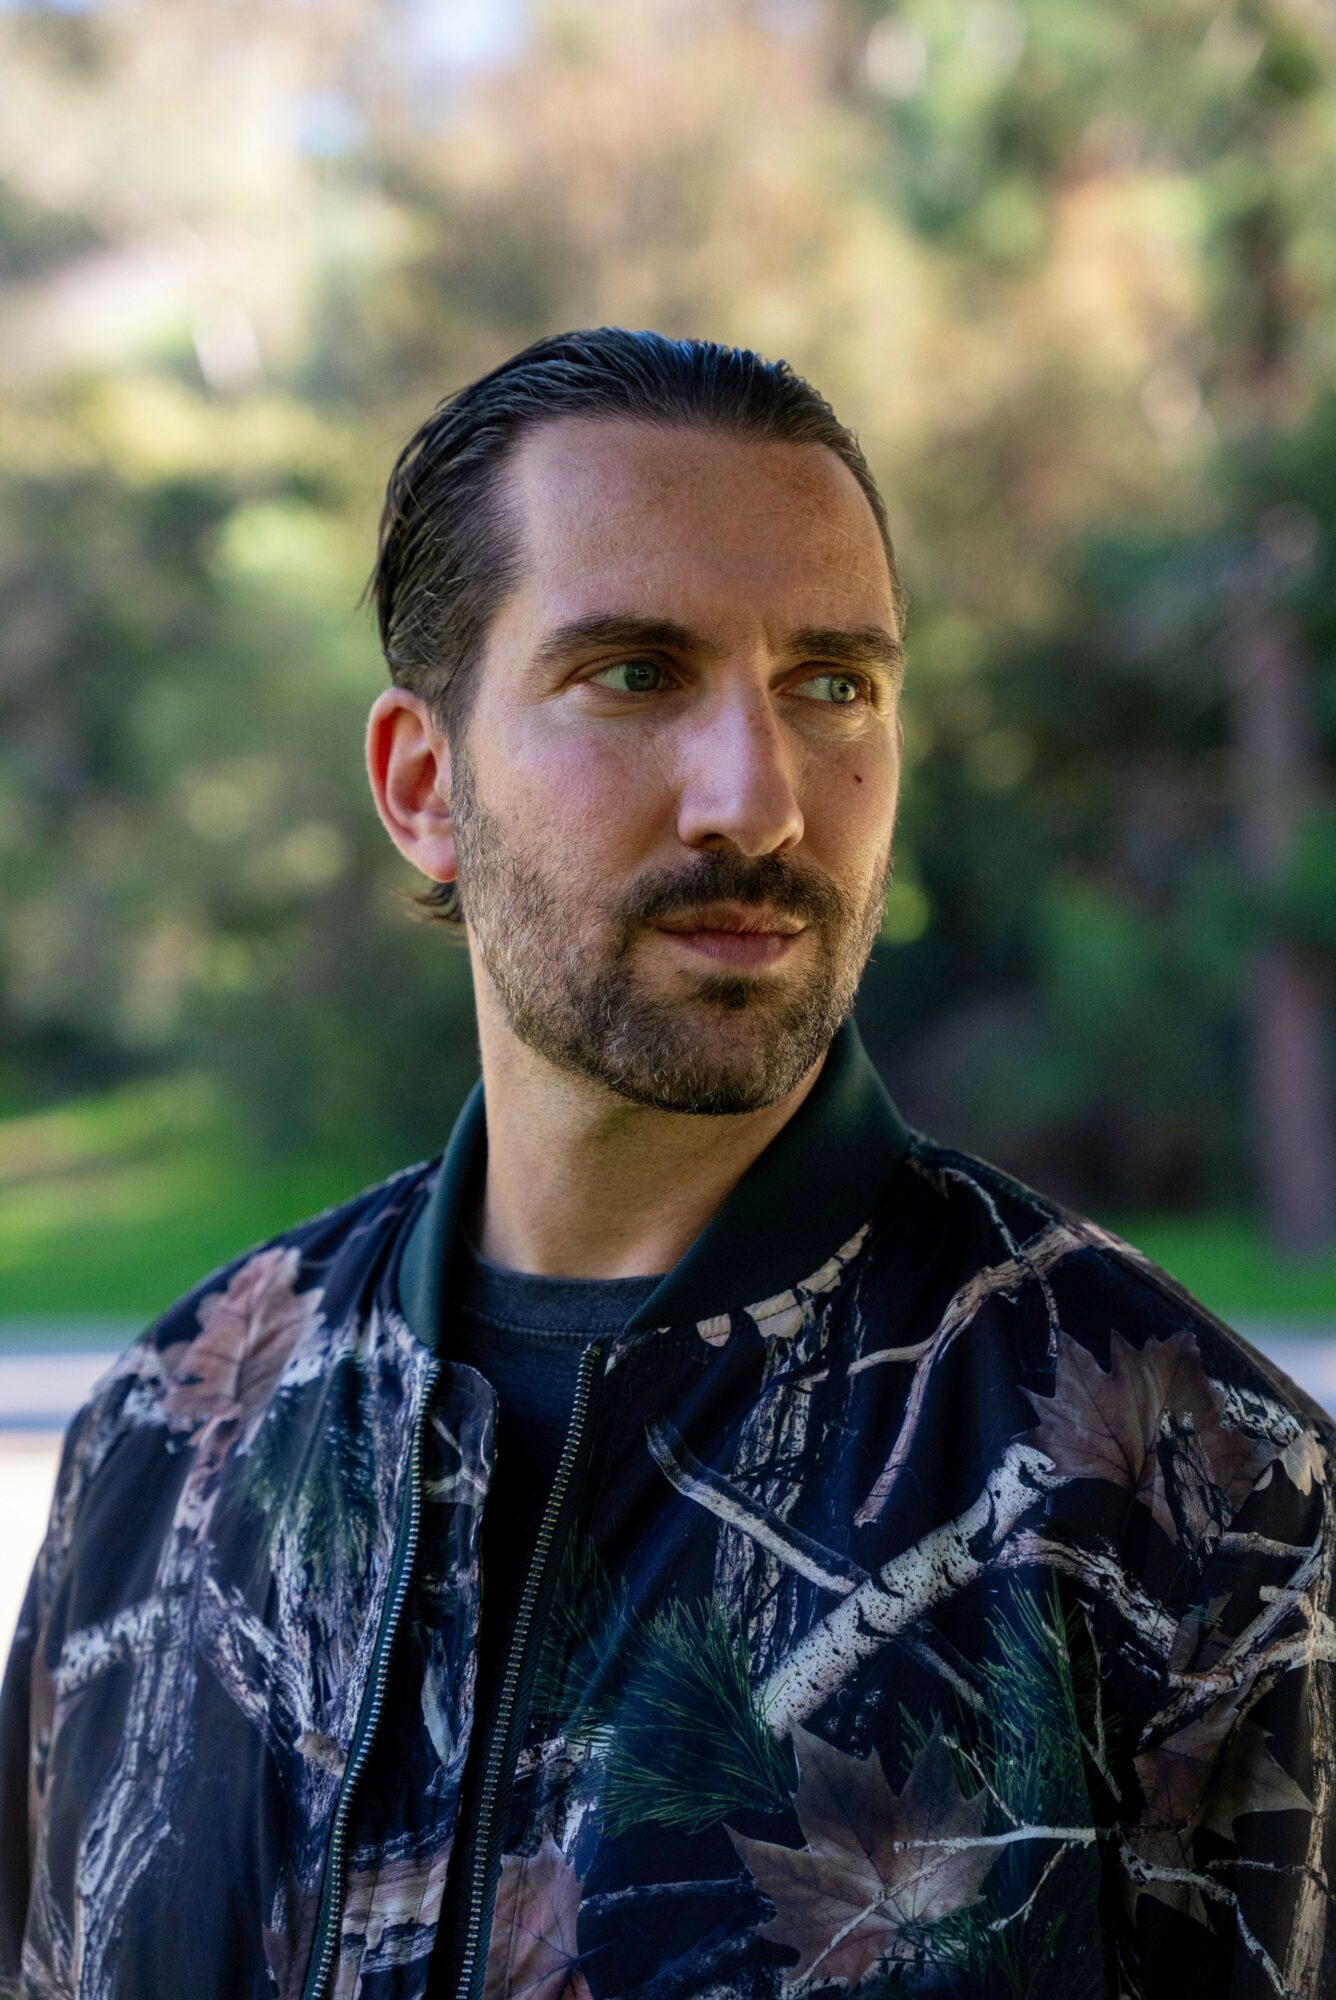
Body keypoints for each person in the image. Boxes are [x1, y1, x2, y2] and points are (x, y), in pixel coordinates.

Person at [1, 328, 1332, 2000]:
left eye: (832, 685)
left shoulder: (1190, 1490)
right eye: (635, 675)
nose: (757, 802)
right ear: (423, 785)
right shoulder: (168, 1441)